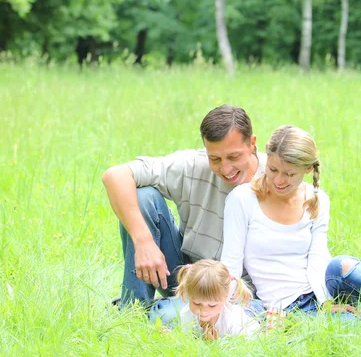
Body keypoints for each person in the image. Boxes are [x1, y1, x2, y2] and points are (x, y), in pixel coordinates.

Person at [221, 125, 361, 320]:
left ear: (307, 169)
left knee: (343, 264)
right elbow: (231, 265)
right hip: (288, 306)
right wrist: (220, 312)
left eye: (290, 174)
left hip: (323, 290)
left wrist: (325, 301)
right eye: (273, 169)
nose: (279, 180)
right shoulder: (242, 200)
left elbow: (318, 255)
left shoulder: (318, 199)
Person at [102, 105, 266, 311]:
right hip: (189, 275)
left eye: (234, 157)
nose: (226, 169)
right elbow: (115, 176)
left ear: (252, 144)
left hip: (245, 292)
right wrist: (143, 242)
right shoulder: (193, 165)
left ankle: (168, 310)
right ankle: (133, 310)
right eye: (215, 159)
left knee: (177, 317)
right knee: (144, 196)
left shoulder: (275, 176)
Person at [175, 259, 260, 340]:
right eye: (196, 303)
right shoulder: (186, 315)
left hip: (253, 312)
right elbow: (188, 343)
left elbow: (242, 348)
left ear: (226, 296)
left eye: (212, 305)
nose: (203, 310)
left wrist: (214, 344)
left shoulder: (234, 320)